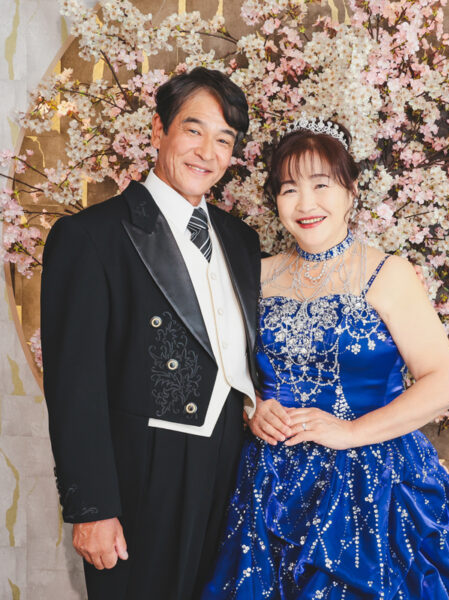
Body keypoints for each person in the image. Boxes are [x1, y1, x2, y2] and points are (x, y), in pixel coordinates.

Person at [201, 118, 449, 599]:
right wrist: (252, 407)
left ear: (350, 192)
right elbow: (227, 370)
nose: (305, 204)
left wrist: (349, 433)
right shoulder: (254, 276)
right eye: (289, 189)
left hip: (374, 479)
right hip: (271, 484)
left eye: (321, 185)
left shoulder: (388, 274)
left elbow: (447, 382)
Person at [40, 67, 261, 599]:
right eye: (193, 130)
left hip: (231, 465)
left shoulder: (241, 239)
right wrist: (92, 507)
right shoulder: (90, 235)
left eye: (223, 140)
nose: (207, 152)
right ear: (159, 130)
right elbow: (74, 387)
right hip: (143, 468)